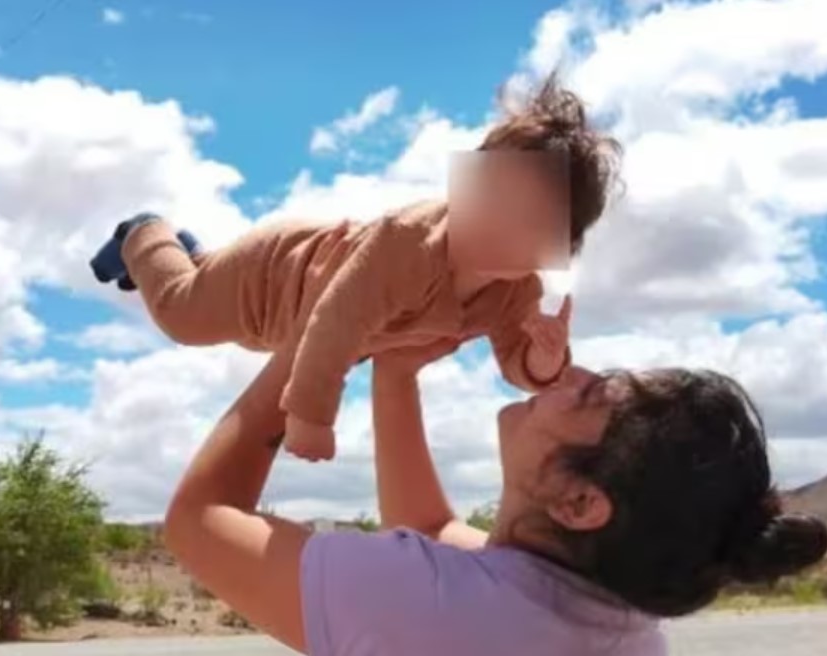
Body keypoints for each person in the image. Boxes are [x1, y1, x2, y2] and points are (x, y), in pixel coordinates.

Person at [162, 339, 827, 656]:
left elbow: (197, 520)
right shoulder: (621, 633)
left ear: (579, 501)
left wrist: (317, 345)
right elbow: (428, 531)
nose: (566, 375)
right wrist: (395, 372)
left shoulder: (432, 606)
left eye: (591, 395)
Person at [89, 76, 617, 462]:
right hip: (272, 276)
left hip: (283, 330)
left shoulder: (516, 294)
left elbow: (514, 363)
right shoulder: (409, 241)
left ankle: (189, 255)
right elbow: (336, 322)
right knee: (183, 315)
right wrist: (311, 416)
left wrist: (544, 362)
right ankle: (145, 233)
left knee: (203, 287)